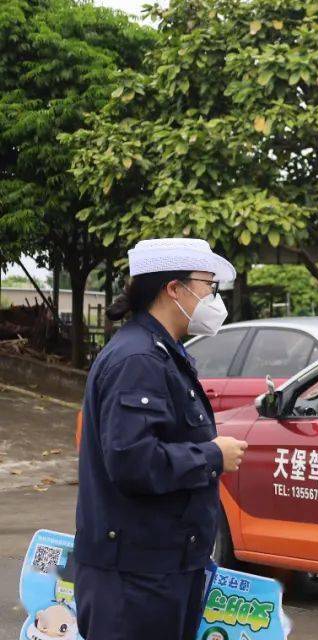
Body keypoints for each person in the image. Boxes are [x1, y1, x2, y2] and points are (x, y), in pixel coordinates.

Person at [74, 238, 249, 640]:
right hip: (135, 580)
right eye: (208, 285)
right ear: (174, 289)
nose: (213, 298)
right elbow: (133, 462)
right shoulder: (138, 359)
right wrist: (212, 455)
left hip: (162, 568)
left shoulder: (162, 352)